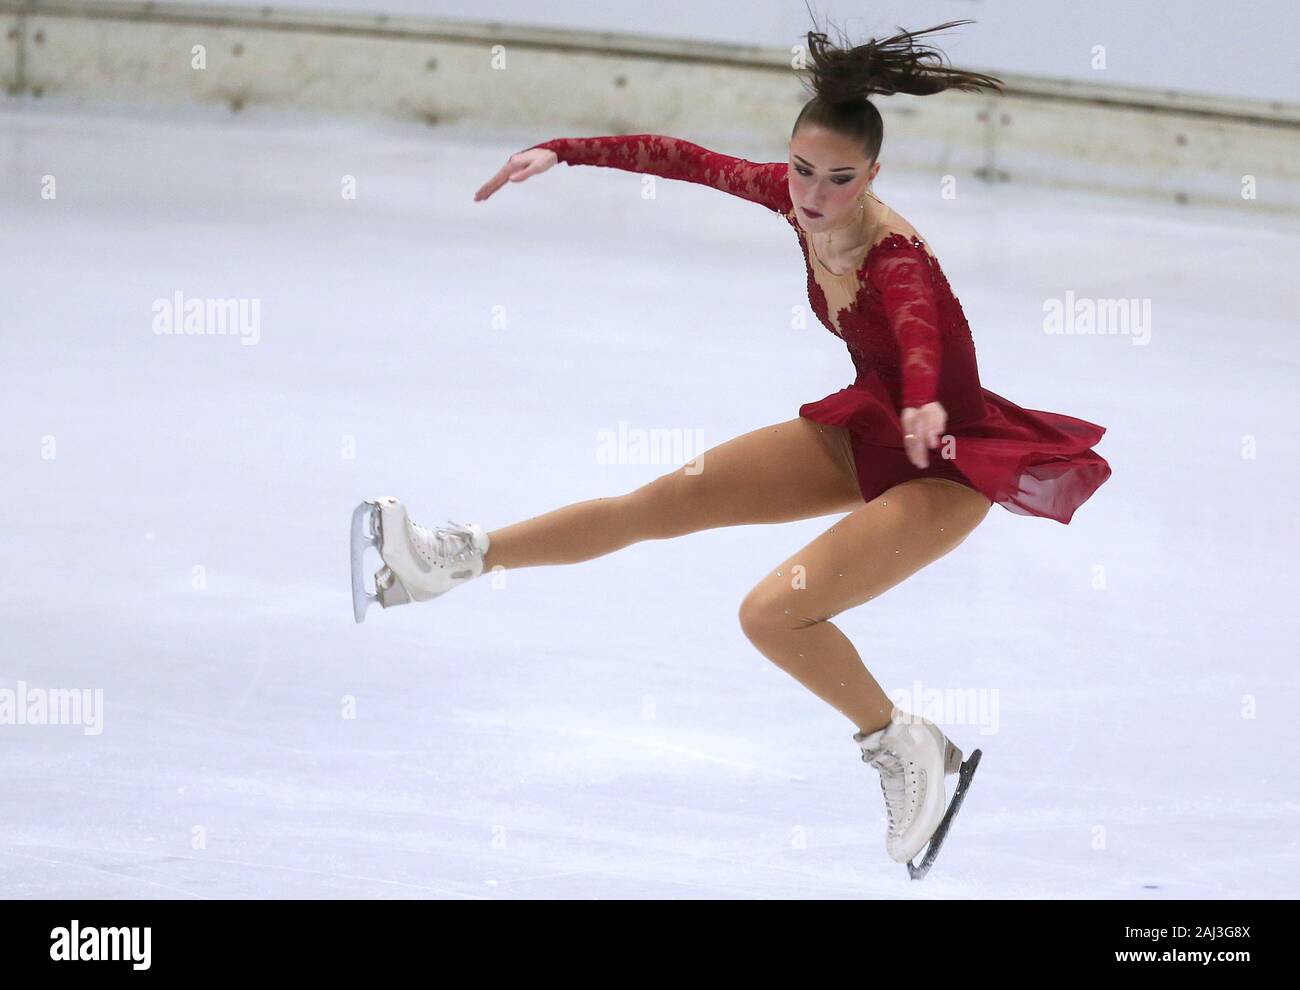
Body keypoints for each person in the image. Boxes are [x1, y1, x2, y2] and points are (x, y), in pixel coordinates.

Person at [352, 18, 1111, 872]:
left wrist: (928, 399)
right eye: (800, 169)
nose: (813, 195)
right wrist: (563, 151)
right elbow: (680, 158)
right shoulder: (790, 195)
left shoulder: (894, 257)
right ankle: (449, 561)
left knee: (771, 613)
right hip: (868, 432)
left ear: (873, 177)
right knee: (657, 505)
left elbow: (918, 325)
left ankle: (907, 746)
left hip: (948, 463)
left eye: (839, 179)